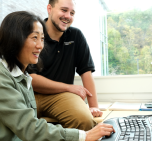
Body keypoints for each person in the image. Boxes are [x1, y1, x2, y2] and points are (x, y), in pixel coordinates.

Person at [0, 11, 114, 141]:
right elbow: (29, 128)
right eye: (35, 38)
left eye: (42, 39)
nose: (40, 46)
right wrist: (83, 136)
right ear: (15, 39)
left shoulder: (23, 77)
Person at [30, 0, 102, 131]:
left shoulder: (76, 36)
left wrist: (93, 106)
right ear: (49, 9)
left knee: (85, 121)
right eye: (64, 10)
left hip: (60, 96)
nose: (68, 16)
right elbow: (30, 79)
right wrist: (70, 88)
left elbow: (86, 72)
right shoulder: (33, 35)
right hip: (29, 95)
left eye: (72, 13)